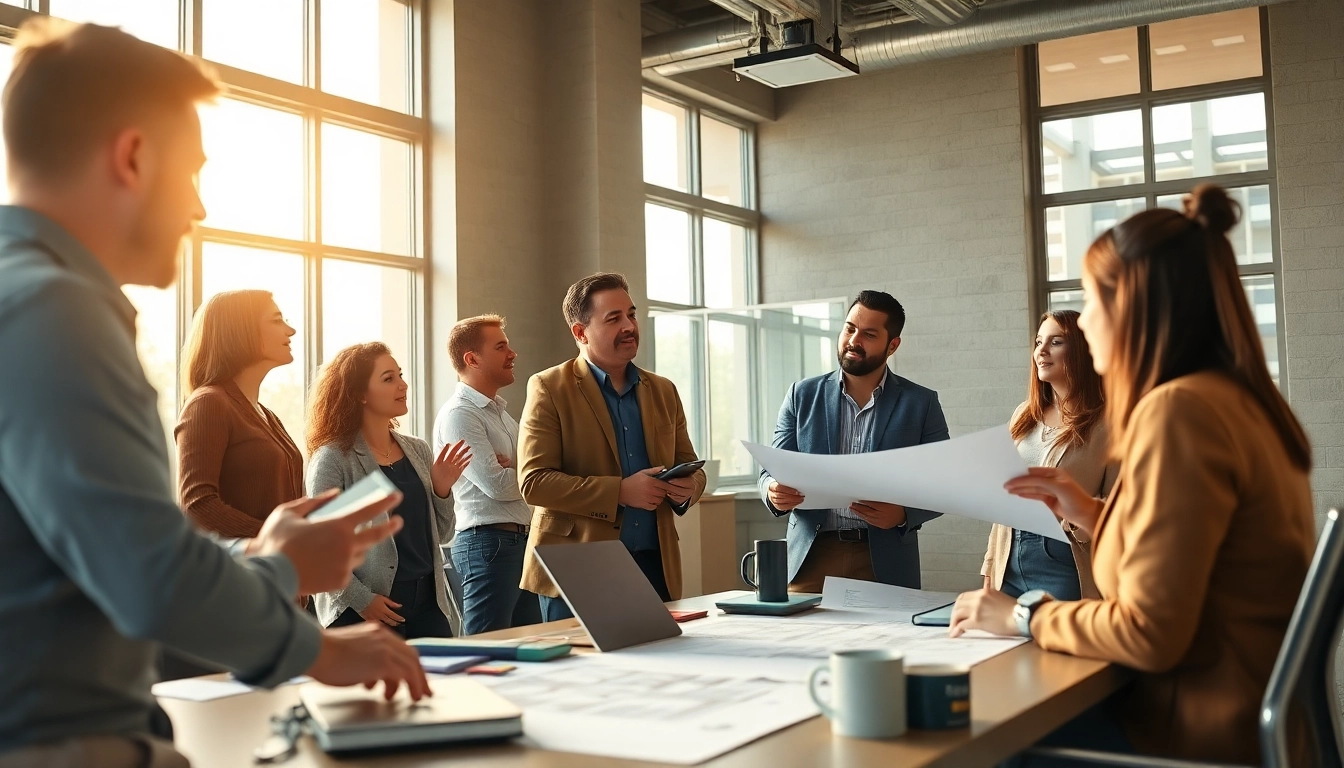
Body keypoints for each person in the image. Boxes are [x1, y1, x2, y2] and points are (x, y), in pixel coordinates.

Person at [0, 21, 427, 767]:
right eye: (191, 172)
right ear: (133, 157)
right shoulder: (54, 311)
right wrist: (312, 634)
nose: (197, 208)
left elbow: (90, 554)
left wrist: (261, 555)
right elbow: (151, 580)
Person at [950, 185, 1315, 765]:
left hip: (1184, 732)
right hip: (1233, 720)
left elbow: (1149, 632)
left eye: (1092, 301)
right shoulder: (1236, 403)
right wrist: (1092, 513)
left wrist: (1022, 614)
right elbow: (1193, 561)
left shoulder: (1178, 412)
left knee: (971, 735)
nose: (1087, 322)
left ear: (1133, 308)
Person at [518, 272, 705, 621]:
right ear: (580, 332)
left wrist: (688, 488)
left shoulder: (664, 390)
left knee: (659, 658)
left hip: (654, 566)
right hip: (576, 569)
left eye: (631, 315)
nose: (629, 326)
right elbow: (534, 482)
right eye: (614, 318)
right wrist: (619, 492)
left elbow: (691, 466)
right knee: (582, 661)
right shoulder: (549, 387)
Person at [758, 290, 949, 592]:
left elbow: (946, 484)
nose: (853, 341)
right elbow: (770, 471)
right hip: (810, 555)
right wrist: (772, 491)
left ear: (892, 345)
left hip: (885, 560)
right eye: (849, 329)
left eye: (869, 335)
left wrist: (903, 514)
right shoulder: (801, 395)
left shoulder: (921, 403)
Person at [308, 342, 471, 639]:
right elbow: (319, 549)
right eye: (388, 378)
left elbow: (444, 535)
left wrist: (441, 491)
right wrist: (362, 601)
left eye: (400, 375)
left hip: (429, 605)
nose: (403, 385)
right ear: (360, 394)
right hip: (364, 610)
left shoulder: (418, 450)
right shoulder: (334, 459)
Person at [980, 310, 1116, 602]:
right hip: (1009, 556)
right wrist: (990, 566)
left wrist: (1072, 516)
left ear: (1082, 350)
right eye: (1039, 342)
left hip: (1064, 559)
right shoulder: (1023, 414)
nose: (1041, 351)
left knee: (1058, 632)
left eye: (1056, 342)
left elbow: (1119, 507)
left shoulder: (1108, 423)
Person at [433, 315, 538, 635]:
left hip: (520, 542)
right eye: (501, 346)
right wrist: (526, 471)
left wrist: (516, 468)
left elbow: (525, 473)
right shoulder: (460, 414)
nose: (512, 353)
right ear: (472, 359)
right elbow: (499, 485)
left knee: (532, 644)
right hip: (489, 545)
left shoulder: (500, 414)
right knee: (486, 647)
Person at [175, 290, 302, 539]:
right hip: (241, 562)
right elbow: (197, 507)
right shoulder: (208, 403)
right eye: (277, 320)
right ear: (241, 331)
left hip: (275, 561)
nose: (291, 330)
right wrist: (276, 539)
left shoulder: (267, 415)